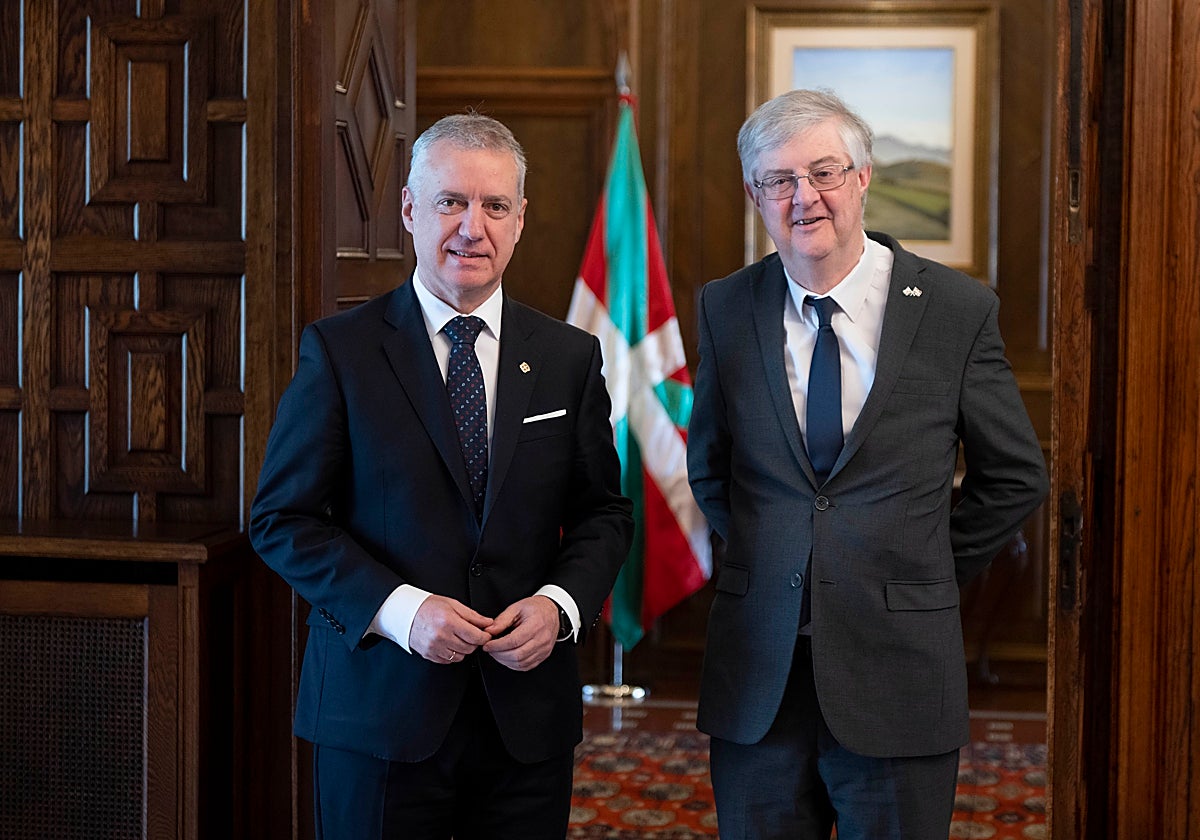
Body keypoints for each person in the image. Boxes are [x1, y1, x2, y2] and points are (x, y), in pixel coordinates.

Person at [249, 112, 633, 840]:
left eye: (494, 206)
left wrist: (559, 605)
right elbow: (281, 520)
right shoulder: (341, 352)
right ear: (408, 210)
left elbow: (603, 514)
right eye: (451, 202)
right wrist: (401, 609)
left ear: (520, 220)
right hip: (379, 713)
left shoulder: (568, 357)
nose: (472, 228)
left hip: (526, 717)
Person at [686, 88, 1049, 839]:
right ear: (756, 194)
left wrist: (922, 563)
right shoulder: (726, 307)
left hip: (900, 670)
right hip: (761, 675)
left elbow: (1014, 474)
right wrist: (776, 553)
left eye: (823, 172)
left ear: (862, 176)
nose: (803, 197)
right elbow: (710, 470)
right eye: (779, 180)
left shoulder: (954, 307)